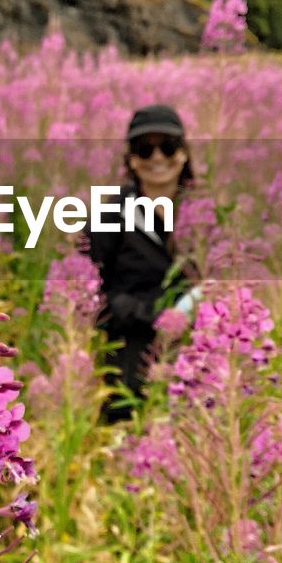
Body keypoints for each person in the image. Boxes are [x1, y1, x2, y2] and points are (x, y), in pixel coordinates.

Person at [85, 105, 197, 422]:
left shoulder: (207, 213)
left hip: (201, 339)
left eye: (168, 146)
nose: (157, 157)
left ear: (184, 154)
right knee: (129, 415)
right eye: (144, 149)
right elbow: (92, 294)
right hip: (132, 342)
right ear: (132, 159)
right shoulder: (108, 217)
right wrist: (153, 315)